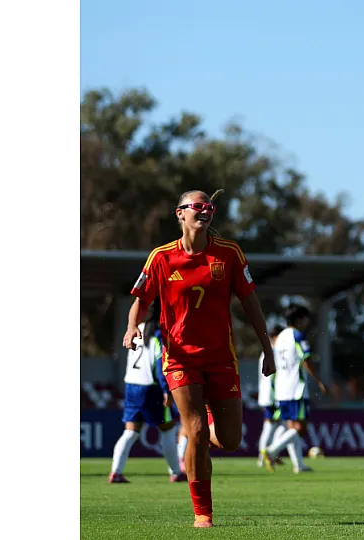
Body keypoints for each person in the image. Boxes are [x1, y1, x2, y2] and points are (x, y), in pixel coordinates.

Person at [123, 189, 275, 528]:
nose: (204, 211)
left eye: (209, 207)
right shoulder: (161, 257)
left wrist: (267, 350)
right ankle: (202, 513)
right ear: (180, 213)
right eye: (197, 206)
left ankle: (202, 424)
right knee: (195, 432)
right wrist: (132, 327)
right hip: (180, 359)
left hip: (221, 358)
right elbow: (141, 300)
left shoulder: (229, 253)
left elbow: (251, 304)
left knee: (231, 441)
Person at [109, 300, 187, 484]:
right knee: (168, 429)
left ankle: (116, 472)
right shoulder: (158, 335)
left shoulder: (135, 331)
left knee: (130, 432)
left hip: (131, 386)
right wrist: (166, 390)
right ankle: (176, 472)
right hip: (151, 388)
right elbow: (160, 365)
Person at [261, 304, 329, 474]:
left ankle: (299, 465)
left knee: (292, 427)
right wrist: (319, 381)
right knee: (300, 429)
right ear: (299, 319)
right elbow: (306, 360)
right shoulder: (297, 336)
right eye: (305, 318)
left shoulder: (280, 338)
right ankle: (272, 450)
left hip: (282, 390)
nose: (307, 322)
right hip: (296, 389)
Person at [257, 325, 288, 468]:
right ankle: (265, 455)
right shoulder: (272, 352)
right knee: (271, 427)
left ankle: (270, 455)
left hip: (268, 396)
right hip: (272, 396)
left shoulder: (267, 352)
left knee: (278, 425)